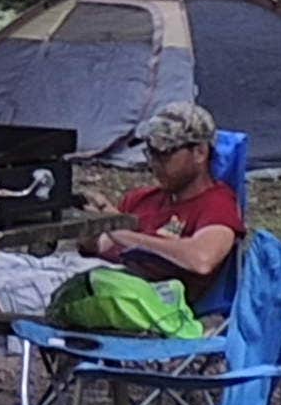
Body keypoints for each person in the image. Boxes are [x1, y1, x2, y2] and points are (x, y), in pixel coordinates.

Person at [86, 99, 242, 306]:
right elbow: (100, 247)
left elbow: (202, 259)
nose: (154, 163)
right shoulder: (141, 198)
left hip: (144, 299)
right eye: (150, 152)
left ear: (200, 153)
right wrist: (93, 223)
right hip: (100, 279)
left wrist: (124, 234)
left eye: (164, 153)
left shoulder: (217, 203)